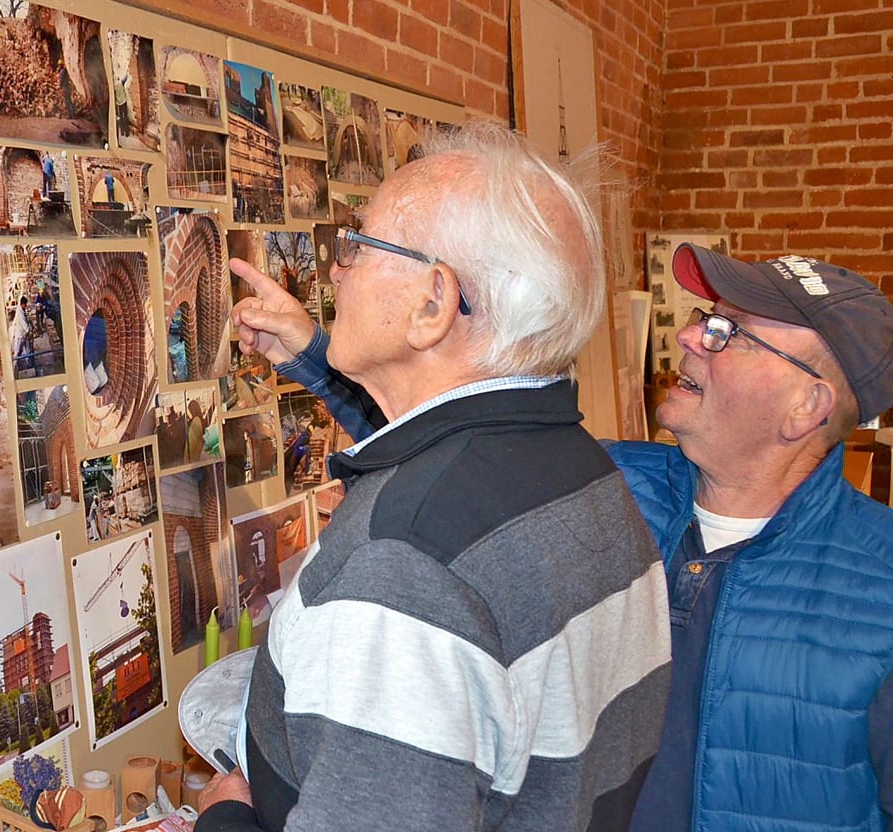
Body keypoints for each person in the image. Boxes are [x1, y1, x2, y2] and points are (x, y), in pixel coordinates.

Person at [237, 237, 893, 830]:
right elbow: (444, 455)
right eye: (704, 318)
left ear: (807, 406)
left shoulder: (879, 592)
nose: (692, 338)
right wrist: (315, 358)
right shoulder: (598, 484)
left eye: (729, 332)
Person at [195, 122, 671, 832]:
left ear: (433, 303)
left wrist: (225, 820)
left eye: (358, 246)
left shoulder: (403, 570)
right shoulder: (582, 472)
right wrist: (312, 355)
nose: (335, 268)